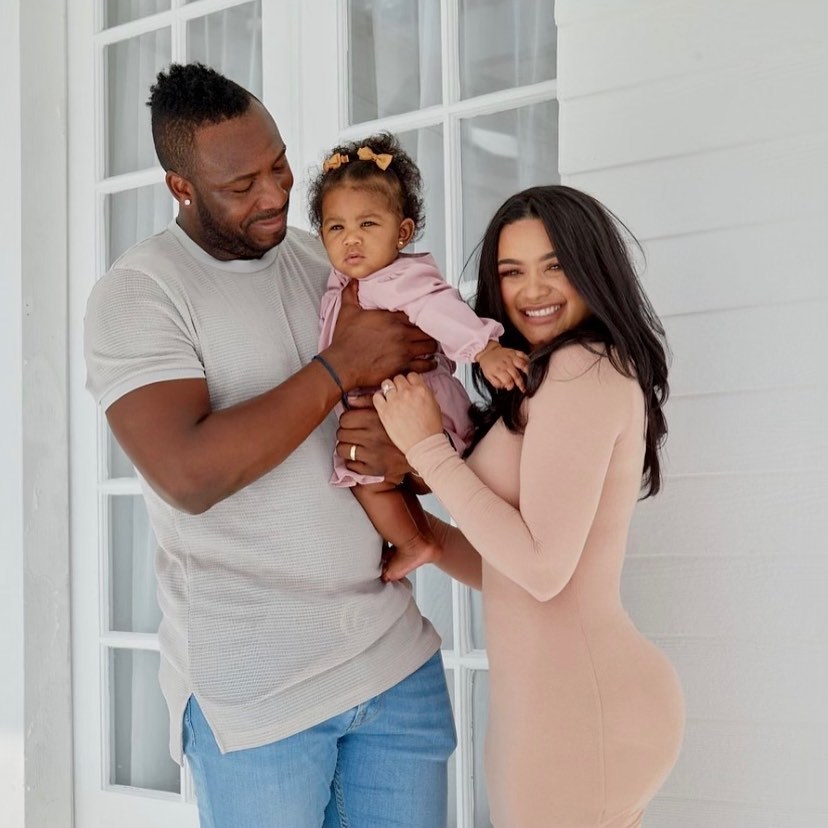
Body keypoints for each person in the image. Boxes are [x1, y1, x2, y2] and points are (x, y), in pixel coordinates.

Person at [83, 62, 456, 828]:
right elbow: (189, 474)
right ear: (180, 187)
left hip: (394, 664)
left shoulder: (329, 262)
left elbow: (415, 411)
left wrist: (404, 462)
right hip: (257, 699)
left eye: (280, 163)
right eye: (241, 184)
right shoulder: (140, 293)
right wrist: (337, 365)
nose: (277, 194)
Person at [373, 185, 686, 827]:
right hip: (570, 707)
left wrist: (428, 449)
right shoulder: (562, 372)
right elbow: (516, 560)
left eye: (554, 265)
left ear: (592, 266)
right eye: (510, 272)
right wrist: (429, 539)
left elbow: (543, 569)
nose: (531, 290)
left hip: (577, 713)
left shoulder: (581, 369)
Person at [309, 132, 527, 580]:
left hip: (416, 400)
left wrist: (482, 349)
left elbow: (438, 306)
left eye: (368, 225)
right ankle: (418, 539)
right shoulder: (343, 283)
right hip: (387, 407)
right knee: (368, 473)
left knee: (362, 477)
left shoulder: (396, 278)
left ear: (402, 232)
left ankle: (415, 542)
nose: (352, 239)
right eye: (337, 228)